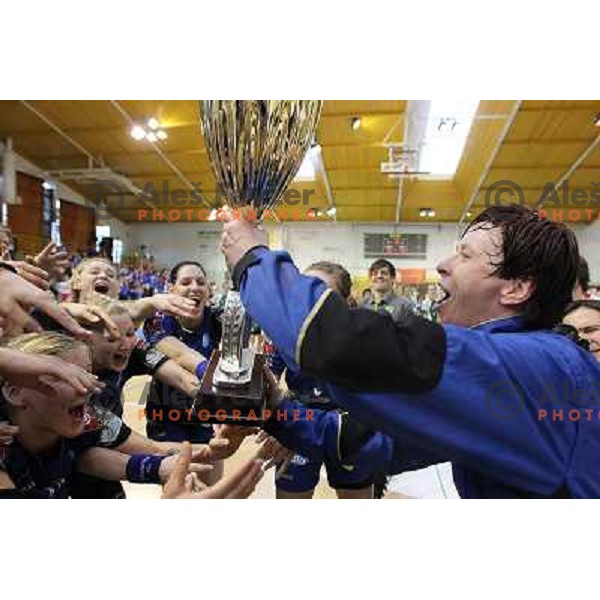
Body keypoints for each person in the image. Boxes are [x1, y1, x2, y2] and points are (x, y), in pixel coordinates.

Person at [220, 204, 600, 498]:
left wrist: (253, 258)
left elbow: (335, 343)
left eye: (465, 256)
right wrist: (276, 409)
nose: (442, 265)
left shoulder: (543, 365)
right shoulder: (519, 366)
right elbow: (366, 440)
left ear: (516, 288)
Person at [0, 332, 215, 498]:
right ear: (15, 392)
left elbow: (153, 448)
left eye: (88, 373)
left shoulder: (90, 417)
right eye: (66, 376)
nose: (90, 386)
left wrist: (215, 448)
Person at [269, 261, 375, 499]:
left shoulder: (366, 338)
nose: (310, 302)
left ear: (346, 303)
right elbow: (267, 382)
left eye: (322, 295)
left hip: (349, 431)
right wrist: (278, 426)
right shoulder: (285, 335)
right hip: (300, 426)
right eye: (303, 291)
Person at [144, 261, 221, 446]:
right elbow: (179, 354)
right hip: (166, 413)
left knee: (209, 470)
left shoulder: (218, 319)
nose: (195, 287)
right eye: (186, 282)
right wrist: (207, 371)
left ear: (208, 290)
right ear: (171, 289)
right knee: (175, 470)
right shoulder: (157, 320)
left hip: (202, 411)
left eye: (201, 282)